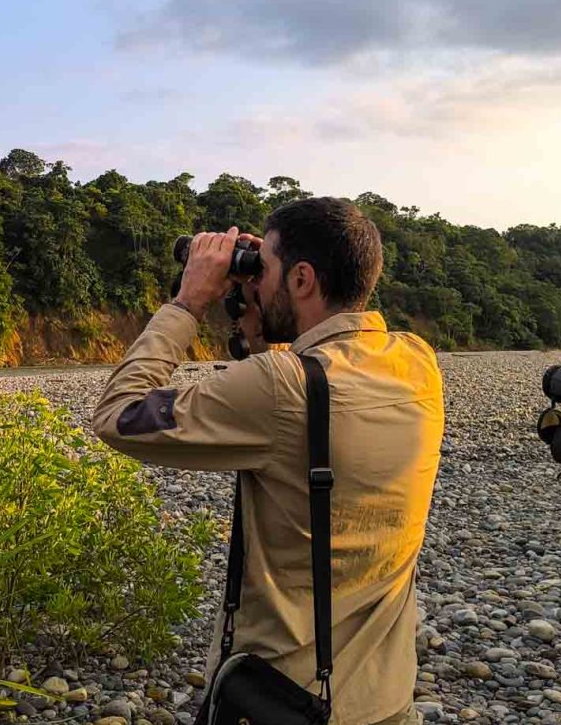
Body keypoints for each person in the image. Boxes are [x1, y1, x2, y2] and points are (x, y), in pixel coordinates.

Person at [92, 197, 444, 725]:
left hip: (286, 698)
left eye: (266, 268)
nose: (254, 281)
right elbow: (312, 381)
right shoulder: (417, 361)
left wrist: (188, 303)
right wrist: (263, 319)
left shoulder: (279, 387)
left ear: (302, 279)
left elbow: (119, 414)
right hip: (385, 697)